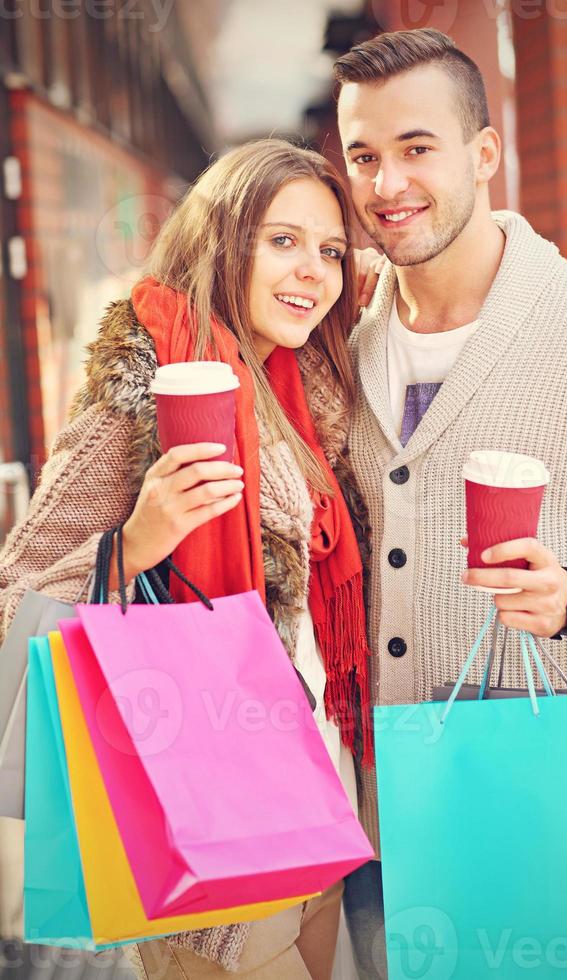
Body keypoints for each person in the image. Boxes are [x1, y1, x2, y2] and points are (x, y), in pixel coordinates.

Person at [0, 138, 374, 980]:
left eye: (329, 250)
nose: (312, 270)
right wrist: (136, 543)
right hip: (203, 816)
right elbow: (13, 590)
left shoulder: (302, 386)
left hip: (316, 795)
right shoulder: (148, 389)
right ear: (222, 241)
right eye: (281, 241)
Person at [332, 27, 567, 980]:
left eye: (416, 148)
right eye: (363, 156)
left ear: (483, 152)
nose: (386, 183)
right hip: (376, 801)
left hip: (542, 778)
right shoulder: (340, 339)